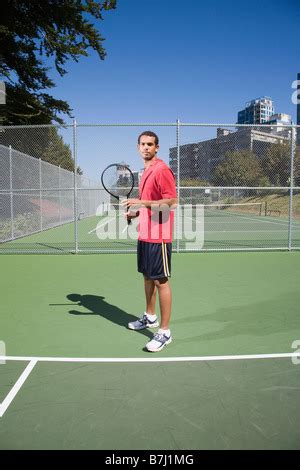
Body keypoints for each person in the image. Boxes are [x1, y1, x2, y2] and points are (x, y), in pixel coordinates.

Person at [121, 131, 177, 352]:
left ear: (157, 147)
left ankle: (164, 331)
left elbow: (171, 201)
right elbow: (150, 204)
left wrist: (141, 202)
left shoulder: (161, 169)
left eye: (150, 144)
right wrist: (136, 213)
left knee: (160, 281)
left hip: (160, 235)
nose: (146, 147)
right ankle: (150, 317)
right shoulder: (145, 172)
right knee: (147, 276)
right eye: (142, 144)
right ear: (137, 147)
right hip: (145, 233)